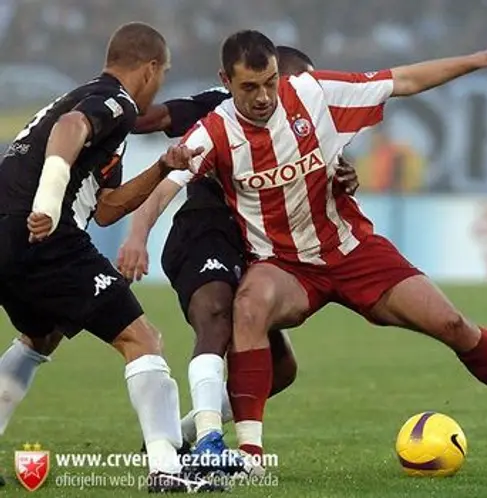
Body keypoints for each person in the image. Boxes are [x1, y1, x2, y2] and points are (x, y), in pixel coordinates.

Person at [168, 29, 487, 468]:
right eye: (253, 86)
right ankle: (250, 457)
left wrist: (484, 57)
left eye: (273, 83)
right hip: (284, 264)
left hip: (352, 250)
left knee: (453, 323)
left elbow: (404, 80)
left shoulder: (318, 99)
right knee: (250, 308)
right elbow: (167, 148)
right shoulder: (219, 126)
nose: (266, 97)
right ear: (230, 82)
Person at [118, 46, 360, 468]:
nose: (308, 94)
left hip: (258, 248)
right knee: (215, 316)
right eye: (300, 83)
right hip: (205, 233)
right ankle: (211, 444)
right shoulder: (221, 106)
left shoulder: (304, 117)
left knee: (280, 369)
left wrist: (346, 176)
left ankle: (185, 431)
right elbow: (155, 119)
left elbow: (325, 168)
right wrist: (99, 119)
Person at [0, 22, 216, 493]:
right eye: (162, 75)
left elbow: (106, 209)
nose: (158, 86)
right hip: (45, 234)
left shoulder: (83, 102)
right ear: (151, 68)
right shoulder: (115, 102)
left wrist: (162, 166)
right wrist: (48, 202)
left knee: (40, 336)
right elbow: (70, 129)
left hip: (7, 234)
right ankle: (166, 470)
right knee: (143, 340)